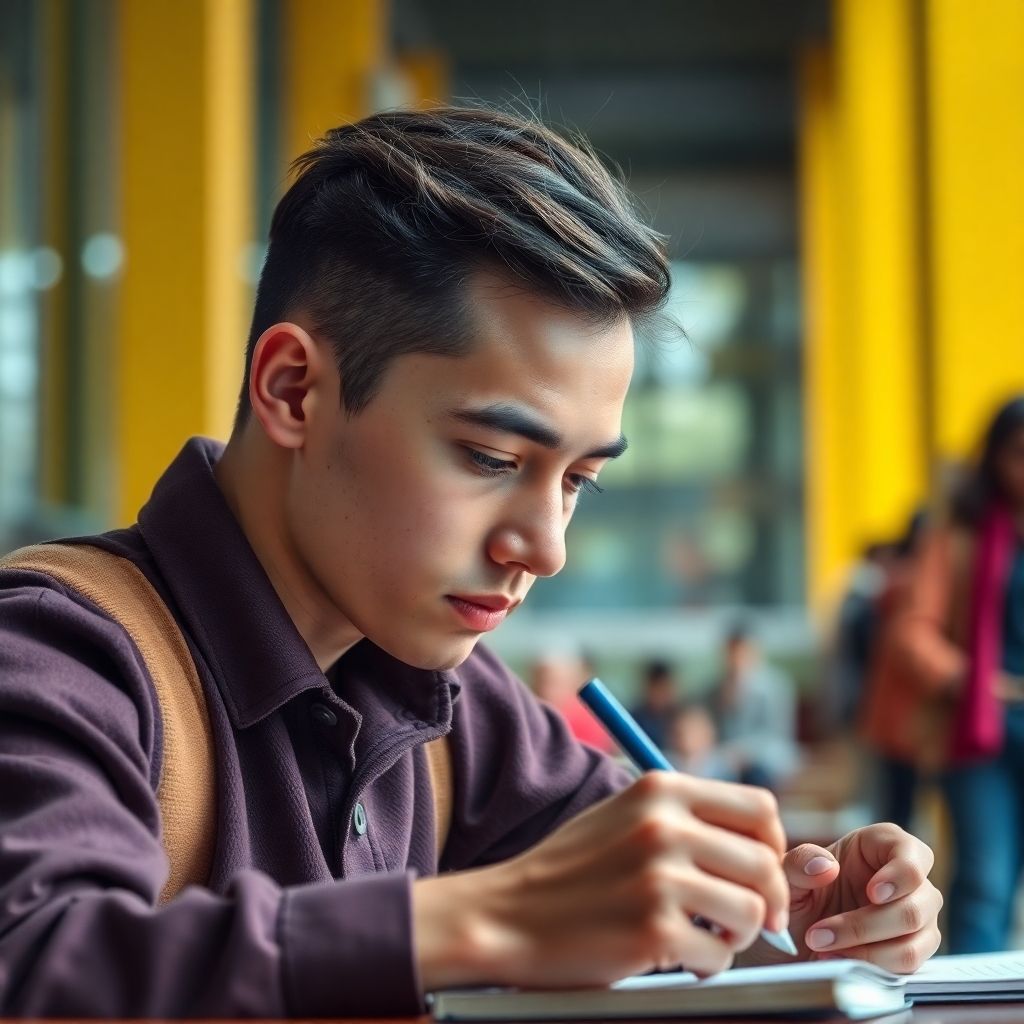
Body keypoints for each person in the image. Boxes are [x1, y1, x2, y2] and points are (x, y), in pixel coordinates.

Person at [0, 106, 940, 1017]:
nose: (546, 547)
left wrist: (789, 905)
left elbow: (636, 882)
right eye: (493, 460)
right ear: (293, 389)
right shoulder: (57, 653)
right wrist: (486, 922)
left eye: (579, 480)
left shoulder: (450, 700)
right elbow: (35, 969)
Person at [895, 396, 1024, 953]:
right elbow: (911, 632)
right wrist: (974, 681)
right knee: (984, 884)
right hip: (981, 730)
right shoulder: (959, 536)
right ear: (995, 458)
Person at [708, 622, 802, 793]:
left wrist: (742, 753)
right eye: (732, 652)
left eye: (741, 652)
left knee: (756, 776)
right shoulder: (715, 690)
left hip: (768, 757)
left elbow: (777, 734)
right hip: (726, 760)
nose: (736, 658)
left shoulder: (776, 686)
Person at [529, 652, 617, 754]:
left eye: (556, 683)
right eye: (542, 682)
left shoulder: (590, 720)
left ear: (573, 682)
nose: (547, 691)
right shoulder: (527, 716)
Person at [628, 658, 681, 752]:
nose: (662, 694)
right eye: (658, 689)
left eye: (665, 689)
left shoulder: (679, 717)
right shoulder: (635, 717)